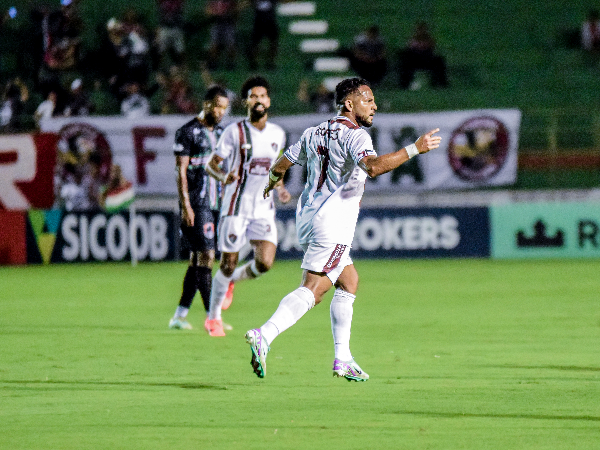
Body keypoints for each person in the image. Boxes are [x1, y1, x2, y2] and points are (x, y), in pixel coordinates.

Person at [244, 77, 442, 381]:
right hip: (333, 222)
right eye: (367, 99)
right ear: (349, 104)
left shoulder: (313, 132)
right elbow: (373, 168)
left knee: (349, 281)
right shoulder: (357, 136)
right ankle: (265, 334)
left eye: (374, 100)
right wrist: (414, 149)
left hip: (309, 217)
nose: (374, 106)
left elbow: (281, 165)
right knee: (314, 290)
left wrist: (271, 184)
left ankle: (343, 358)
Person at [204, 76, 291, 336]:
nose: (259, 100)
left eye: (263, 96)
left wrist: (281, 187)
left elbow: (278, 168)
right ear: (246, 102)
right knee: (227, 263)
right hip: (236, 206)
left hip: (264, 207)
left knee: (264, 262)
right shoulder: (234, 132)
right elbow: (212, 165)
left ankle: (232, 283)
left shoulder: (278, 133)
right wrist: (224, 176)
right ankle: (213, 318)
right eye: (253, 96)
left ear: (269, 101)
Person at [168, 86, 230, 330]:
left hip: (218, 203)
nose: (221, 111)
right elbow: (180, 170)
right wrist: (185, 205)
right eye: (217, 106)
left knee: (197, 260)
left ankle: (179, 316)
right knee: (207, 256)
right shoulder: (188, 132)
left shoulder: (224, 133)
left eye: (224, 107)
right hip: (197, 202)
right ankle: (212, 317)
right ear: (206, 104)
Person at [397, 21, 448, 90]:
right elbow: (408, 50)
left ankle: (440, 82)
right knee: (405, 61)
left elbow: (432, 49)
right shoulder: (413, 40)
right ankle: (404, 84)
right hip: (415, 60)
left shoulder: (429, 40)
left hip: (427, 60)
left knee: (439, 61)